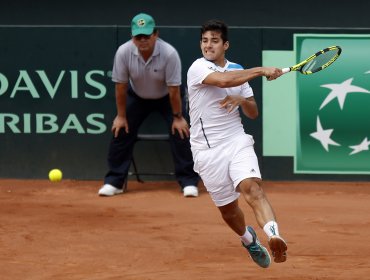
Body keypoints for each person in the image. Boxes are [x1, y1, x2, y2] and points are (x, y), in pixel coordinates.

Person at [187, 19, 287, 268]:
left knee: (252, 188)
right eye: (205, 40)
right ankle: (248, 239)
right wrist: (261, 70)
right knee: (229, 212)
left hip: (236, 141)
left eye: (214, 40)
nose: (208, 45)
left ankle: (274, 235)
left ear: (225, 45)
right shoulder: (197, 67)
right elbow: (223, 81)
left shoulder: (238, 69)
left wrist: (241, 100)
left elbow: (253, 113)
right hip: (206, 151)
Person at [99, 13, 199, 197]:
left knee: (182, 131)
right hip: (137, 96)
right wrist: (121, 116)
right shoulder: (123, 52)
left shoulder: (169, 53)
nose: (143, 40)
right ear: (132, 38)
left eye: (147, 35)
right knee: (120, 129)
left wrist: (177, 117)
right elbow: (120, 87)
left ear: (156, 34)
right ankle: (115, 182)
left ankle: (188, 181)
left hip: (167, 97)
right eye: (139, 37)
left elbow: (174, 90)